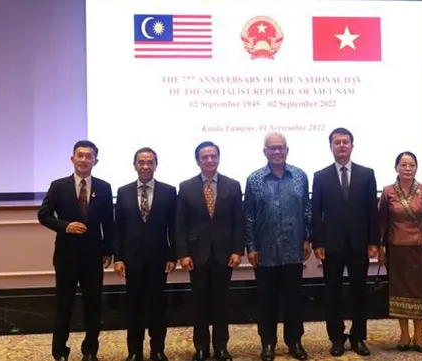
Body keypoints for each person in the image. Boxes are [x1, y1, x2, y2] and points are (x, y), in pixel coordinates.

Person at [37, 140, 114, 361]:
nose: (83, 160)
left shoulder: (104, 187)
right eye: (79, 155)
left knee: (93, 305)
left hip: (93, 257)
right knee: (64, 305)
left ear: (95, 161)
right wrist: (65, 226)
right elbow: (44, 215)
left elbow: (109, 222)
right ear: (72, 159)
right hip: (66, 256)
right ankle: (60, 351)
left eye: (88, 156)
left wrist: (108, 250)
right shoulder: (58, 186)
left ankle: (90, 350)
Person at [311, 127, 379, 357]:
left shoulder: (367, 174)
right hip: (332, 244)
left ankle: (359, 337)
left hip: (360, 243)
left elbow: (372, 210)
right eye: (337, 142)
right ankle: (337, 338)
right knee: (333, 292)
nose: (341, 145)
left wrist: (374, 241)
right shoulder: (320, 176)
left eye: (345, 142)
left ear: (352, 145)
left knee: (360, 291)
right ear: (330, 147)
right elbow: (316, 212)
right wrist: (317, 242)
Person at [244, 132, 312, 361]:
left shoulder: (300, 177)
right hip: (265, 252)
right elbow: (249, 217)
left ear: (287, 150)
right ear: (265, 151)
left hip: (293, 249)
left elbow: (307, 211)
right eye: (272, 148)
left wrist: (307, 238)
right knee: (266, 302)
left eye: (280, 148)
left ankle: (295, 342)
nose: (276, 152)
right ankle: (268, 344)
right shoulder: (254, 179)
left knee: (294, 300)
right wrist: (251, 247)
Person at [175, 141, 245, 361]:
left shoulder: (233, 186)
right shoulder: (186, 187)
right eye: (204, 157)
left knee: (221, 303)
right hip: (197, 255)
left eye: (213, 156)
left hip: (224, 254)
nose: (209, 160)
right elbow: (180, 224)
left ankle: (222, 347)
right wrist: (183, 253)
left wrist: (237, 250)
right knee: (200, 304)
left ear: (218, 158)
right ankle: (201, 347)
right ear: (198, 161)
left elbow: (238, 222)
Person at [113, 147, 177, 361]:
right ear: (135, 165)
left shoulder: (169, 191)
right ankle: (134, 351)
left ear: (156, 165)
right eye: (141, 162)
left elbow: (173, 227)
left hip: (158, 259)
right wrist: (119, 257)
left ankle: (157, 349)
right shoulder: (123, 192)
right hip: (132, 260)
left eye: (150, 162)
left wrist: (172, 255)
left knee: (158, 308)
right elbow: (118, 229)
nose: (146, 166)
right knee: (134, 308)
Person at [378, 151, 422, 353]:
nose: (408, 168)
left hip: (420, 249)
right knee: (399, 292)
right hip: (396, 250)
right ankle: (404, 334)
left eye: (411, 165)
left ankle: (418, 335)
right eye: (403, 165)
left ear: (416, 168)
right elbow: (382, 223)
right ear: (396, 168)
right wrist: (380, 248)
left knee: (419, 292)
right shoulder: (387, 192)